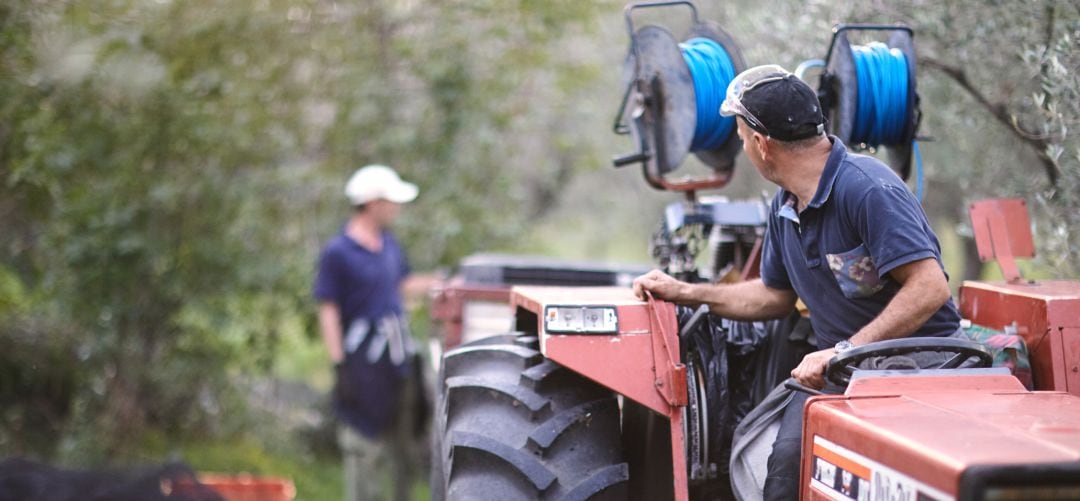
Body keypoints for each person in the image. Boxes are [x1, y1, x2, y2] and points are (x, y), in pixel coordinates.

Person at [632, 65, 961, 500]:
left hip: (922, 367)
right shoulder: (785, 204)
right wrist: (689, 294)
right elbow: (774, 295)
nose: (743, 146)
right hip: (844, 373)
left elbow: (930, 287)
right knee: (783, 469)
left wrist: (844, 351)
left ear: (763, 145)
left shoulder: (866, 189)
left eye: (741, 137)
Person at [313, 164, 436, 501]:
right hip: (361, 368)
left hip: (398, 364)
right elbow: (329, 310)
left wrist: (443, 282)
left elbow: (400, 287)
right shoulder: (338, 252)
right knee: (363, 451)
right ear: (372, 202)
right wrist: (340, 366)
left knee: (404, 452)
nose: (397, 207)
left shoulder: (389, 245)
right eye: (392, 200)